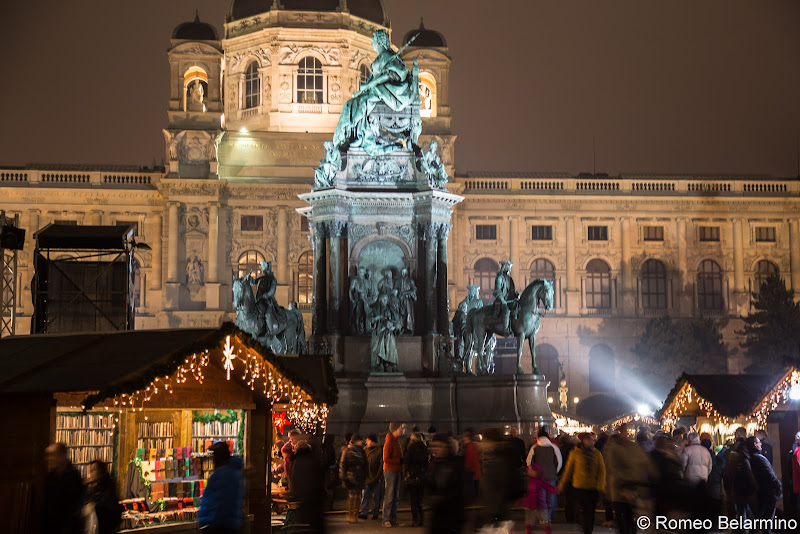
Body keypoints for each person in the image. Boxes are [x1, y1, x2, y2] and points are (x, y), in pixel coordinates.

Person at [333, 29, 418, 153]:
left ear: (379, 41)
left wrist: (370, 85)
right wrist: (366, 86)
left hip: (390, 93)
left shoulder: (388, 56)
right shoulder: (383, 57)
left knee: (361, 102)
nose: (372, 43)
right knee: (351, 104)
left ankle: (359, 136)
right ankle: (351, 136)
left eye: (373, 40)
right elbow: (375, 77)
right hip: (379, 91)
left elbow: (390, 75)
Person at [604, 424, 655, 534]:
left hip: (633, 491)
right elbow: (613, 469)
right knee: (624, 524)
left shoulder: (633, 447)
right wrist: (625, 485)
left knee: (631, 523)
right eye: (625, 431)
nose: (627, 434)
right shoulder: (613, 448)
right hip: (620, 492)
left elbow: (645, 463)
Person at [558, 432, 606, 534]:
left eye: (592, 439)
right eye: (589, 439)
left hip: (593, 487)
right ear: (583, 441)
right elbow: (568, 470)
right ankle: (586, 530)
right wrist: (562, 484)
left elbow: (602, 471)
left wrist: (600, 486)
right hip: (580, 486)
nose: (591, 441)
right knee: (584, 510)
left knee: (591, 511)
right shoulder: (575, 453)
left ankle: (589, 528)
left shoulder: (597, 453)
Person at [198, 441, 244, 534]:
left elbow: (215, 501)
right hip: (231, 524)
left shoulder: (220, 474)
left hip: (218, 525)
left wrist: (204, 519)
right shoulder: (235, 472)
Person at [427, 432, 465, 534]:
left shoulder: (455, 464)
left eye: (438, 446)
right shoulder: (436, 464)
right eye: (433, 446)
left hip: (452, 518)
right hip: (437, 517)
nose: (434, 449)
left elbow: (462, 491)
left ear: (446, 447)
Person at [43, 443, 85, 534]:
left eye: (52, 454)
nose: (48, 459)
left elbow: (75, 507)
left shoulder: (73, 477)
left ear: (62, 456)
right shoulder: (50, 476)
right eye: (48, 455)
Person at [747, 435, 782, 534]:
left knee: (758, 519)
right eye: (759, 442)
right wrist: (778, 487)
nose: (761, 444)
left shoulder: (749, 459)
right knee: (767, 520)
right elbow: (770, 475)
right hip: (768, 493)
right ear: (755, 445)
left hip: (758, 493)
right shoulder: (760, 458)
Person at [527, 426, 562, 521]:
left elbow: (528, 461)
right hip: (551, 475)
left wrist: (532, 470)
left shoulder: (535, 447)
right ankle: (550, 516)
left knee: (541, 498)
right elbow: (559, 461)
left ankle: (544, 519)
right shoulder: (554, 447)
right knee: (550, 497)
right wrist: (555, 471)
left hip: (539, 476)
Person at [290, 440, 324, 532]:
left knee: (304, 524)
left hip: (302, 498)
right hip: (315, 497)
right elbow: (320, 478)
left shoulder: (297, 462)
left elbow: (295, 480)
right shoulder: (314, 460)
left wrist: (294, 495)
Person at [724, 438, 757, 522]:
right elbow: (750, 475)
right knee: (750, 513)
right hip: (746, 490)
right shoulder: (746, 459)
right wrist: (755, 487)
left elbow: (727, 475)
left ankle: (741, 529)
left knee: (741, 513)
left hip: (736, 490)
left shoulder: (732, 459)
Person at [86, 460, 122, 534]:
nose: (91, 474)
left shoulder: (108, 489)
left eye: (93, 470)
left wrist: (94, 507)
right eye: (90, 471)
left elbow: (113, 514)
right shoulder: (91, 489)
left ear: (101, 471)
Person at [522, 463, 558, 534]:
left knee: (544, 519)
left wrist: (555, 490)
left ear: (537, 472)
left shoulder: (540, 480)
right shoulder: (527, 481)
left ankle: (547, 530)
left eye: (533, 471)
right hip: (529, 504)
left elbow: (548, 486)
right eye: (529, 471)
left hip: (540, 504)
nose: (530, 472)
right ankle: (528, 530)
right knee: (529, 520)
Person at [404, 432, 429, 527]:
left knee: (413, 499)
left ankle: (415, 520)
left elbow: (406, 462)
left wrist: (406, 472)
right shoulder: (425, 448)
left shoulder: (410, 448)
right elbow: (427, 463)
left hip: (412, 476)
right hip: (422, 476)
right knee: (420, 499)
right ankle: (422, 519)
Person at [340, 434, 367, 523]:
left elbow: (365, 464)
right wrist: (343, 476)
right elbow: (343, 464)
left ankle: (355, 515)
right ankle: (350, 514)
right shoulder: (347, 450)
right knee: (352, 495)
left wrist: (365, 475)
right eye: (360, 441)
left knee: (358, 496)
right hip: (350, 476)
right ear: (355, 441)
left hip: (359, 476)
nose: (361, 442)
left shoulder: (362, 451)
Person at [382, 422, 405, 527]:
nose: (402, 430)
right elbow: (386, 458)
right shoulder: (390, 442)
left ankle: (393, 519)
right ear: (396, 429)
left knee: (395, 496)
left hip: (396, 470)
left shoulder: (396, 441)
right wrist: (398, 461)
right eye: (401, 428)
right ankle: (386, 519)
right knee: (389, 496)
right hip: (391, 470)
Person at [360, 434, 384, 520]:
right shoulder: (364, 450)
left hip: (376, 477)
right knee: (365, 495)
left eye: (368, 440)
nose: (366, 442)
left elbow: (381, 464)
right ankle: (364, 512)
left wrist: (378, 476)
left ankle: (375, 513)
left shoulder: (379, 450)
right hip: (367, 477)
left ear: (372, 441)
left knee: (376, 496)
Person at [491, 260, 519, 335]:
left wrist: (517, 295)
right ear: (505, 267)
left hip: (510, 301)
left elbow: (513, 290)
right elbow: (497, 290)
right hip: (501, 302)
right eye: (509, 266)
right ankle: (506, 330)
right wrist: (502, 300)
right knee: (507, 310)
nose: (510, 268)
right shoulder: (499, 278)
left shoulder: (509, 279)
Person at [463, 428, 482, 501]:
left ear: (468, 438)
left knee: (473, 485)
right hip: (475, 469)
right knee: (475, 484)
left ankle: (474, 499)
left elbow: (470, 459)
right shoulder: (474, 445)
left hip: (471, 469)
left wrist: (468, 467)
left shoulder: (470, 446)